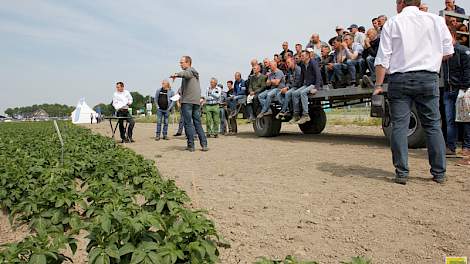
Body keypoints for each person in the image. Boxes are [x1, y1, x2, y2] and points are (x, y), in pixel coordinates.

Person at [373, 0, 454, 184]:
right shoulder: (435, 20)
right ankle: (439, 172)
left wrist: (378, 84)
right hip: (428, 77)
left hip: (400, 79)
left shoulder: (393, 22)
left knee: (400, 126)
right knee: (433, 125)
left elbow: (382, 59)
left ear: (401, 2)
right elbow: (448, 51)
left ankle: (402, 172)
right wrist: (430, 57)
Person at [170, 56, 208, 152]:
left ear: (188, 63)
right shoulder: (193, 73)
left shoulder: (190, 71)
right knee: (197, 123)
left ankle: (191, 145)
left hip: (188, 102)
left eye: (182, 62)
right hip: (195, 101)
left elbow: (186, 74)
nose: (180, 64)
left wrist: (176, 74)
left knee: (188, 124)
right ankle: (204, 144)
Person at [442, 30, 470, 157]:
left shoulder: (462, 51)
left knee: (465, 119)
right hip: (449, 91)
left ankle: (466, 147)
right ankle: (451, 147)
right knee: (450, 120)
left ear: (452, 36)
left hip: (461, 90)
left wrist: (464, 88)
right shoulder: (444, 53)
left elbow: (467, 70)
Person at [292, 50, 322, 124]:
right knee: (295, 93)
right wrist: (298, 87)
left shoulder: (313, 63)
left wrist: (316, 88)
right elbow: (302, 77)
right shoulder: (302, 64)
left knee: (303, 93)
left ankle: (305, 115)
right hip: (307, 84)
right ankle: (296, 115)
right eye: (300, 56)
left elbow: (318, 75)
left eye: (302, 56)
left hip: (314, 84)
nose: (301, 57)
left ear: (308, 56)